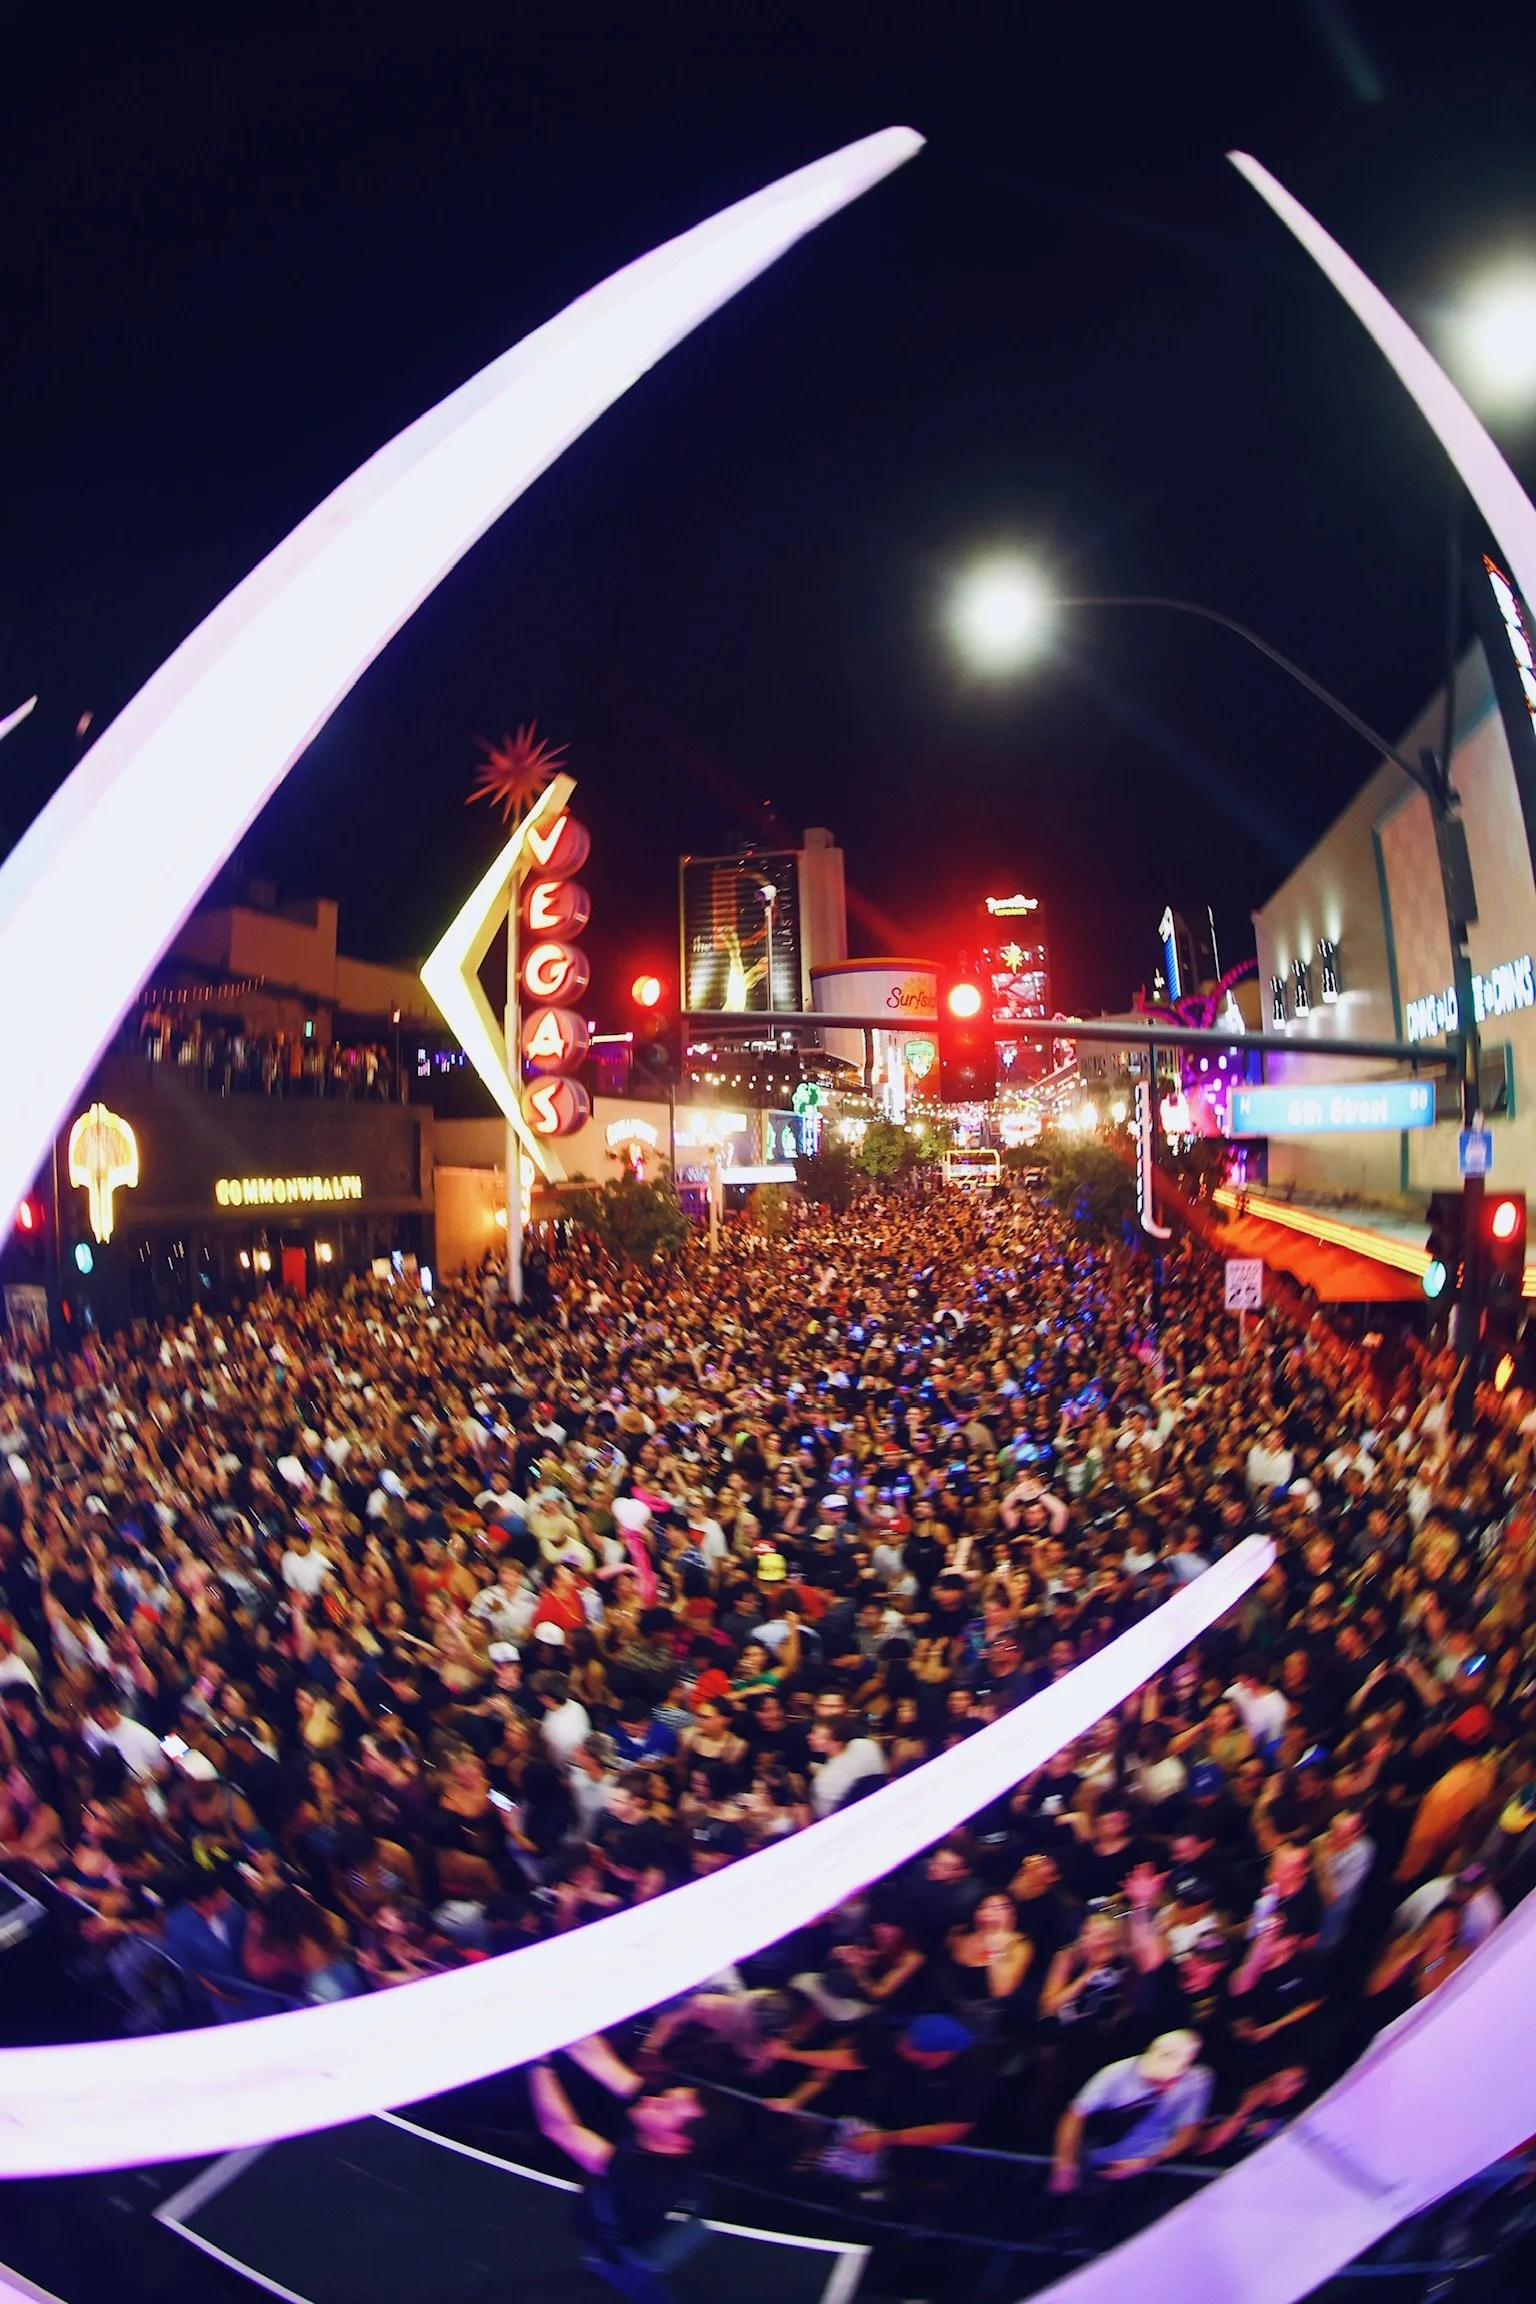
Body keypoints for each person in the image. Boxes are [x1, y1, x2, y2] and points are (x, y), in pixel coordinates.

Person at [530, 2032, 715, 2302]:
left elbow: (559, 2128)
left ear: (678, 2141)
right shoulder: (661, 2122)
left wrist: (537, 2063)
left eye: (665, 2107)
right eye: (666, 2096)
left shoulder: (648, 2178)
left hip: (607, 2259)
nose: (652, 2099)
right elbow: (596, 2057)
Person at [1050, 2031, 1214, 2190]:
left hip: (1154, 2167)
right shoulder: (1115, 2074)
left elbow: (1188, 2132)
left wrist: (1148, 2161)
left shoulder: (1196, 2081)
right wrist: (1065, 2165)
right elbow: (1074, 2116)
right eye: (1154, 2080)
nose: (1160, 2085)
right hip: (1100, 2161)